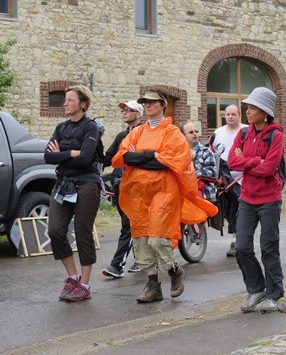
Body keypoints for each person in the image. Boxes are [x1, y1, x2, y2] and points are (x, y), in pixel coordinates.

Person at [112, 90, 216, 303]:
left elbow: (171, 161)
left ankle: (174, 270)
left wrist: (140, 157)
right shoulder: (137, 132)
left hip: (163, 190)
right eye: (145, 103)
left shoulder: (172, 132)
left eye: (151, 102)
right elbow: (123, 157)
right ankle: (153, 284)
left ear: (162, 104)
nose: (147, 105)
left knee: (158, 238)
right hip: (138, 193)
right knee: (140, 239)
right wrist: (152, 155)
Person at [228, 87, 285, 313]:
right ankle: (256, 289)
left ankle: (274, 294)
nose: (248, 111)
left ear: (264, 111)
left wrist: (247, 161)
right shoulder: (242, 134)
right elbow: (232, 162)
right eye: (248, 107)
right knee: (241, 246)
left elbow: (269, 168)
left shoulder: (276, 135)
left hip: (269, 199)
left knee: (268, 247)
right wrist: (254, 161)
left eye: (252, 108)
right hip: (247, 199)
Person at [44, 85, 102, 302]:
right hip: (63, 184)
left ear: (82, 104)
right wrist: (70, 152)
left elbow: (86, 158)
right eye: (64, 100)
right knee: (55, 230)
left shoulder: (91, 128)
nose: (65, 103)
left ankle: (85, 285)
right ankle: (73, 277)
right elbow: (47, 157)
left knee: (83, 232)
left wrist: (61, 154)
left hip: (86, 184)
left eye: (70, 100)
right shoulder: (61, 128)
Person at [101, 100, 144, 278]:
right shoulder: (121, 136)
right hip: (120, 184)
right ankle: (143, 259)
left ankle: (117, 266)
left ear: (139, 114)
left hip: (139, 184)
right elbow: (108, 158)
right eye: (123, 110)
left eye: (129, 110)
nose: (124, 113)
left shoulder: (145, 133)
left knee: (128, 225)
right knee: (132, 224)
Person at [211, 105, 247, 257]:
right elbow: (212, 152)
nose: (230, 117)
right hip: (223, 176)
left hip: (243, 176)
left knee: (238, 205)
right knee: (226, 207)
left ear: (239, 115)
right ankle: (236, 236)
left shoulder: (246, 130)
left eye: (233, 114)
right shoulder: (218, 132)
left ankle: (237, 240)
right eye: (228, 114)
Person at [182, 121, 217, 200]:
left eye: (196, 131)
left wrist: (191, 174)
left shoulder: (206, 151)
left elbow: (212, 172)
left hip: (204, 195)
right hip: (184, 196)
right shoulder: (179, 153)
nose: (195, 134)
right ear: (183, 136)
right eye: (191, 132)